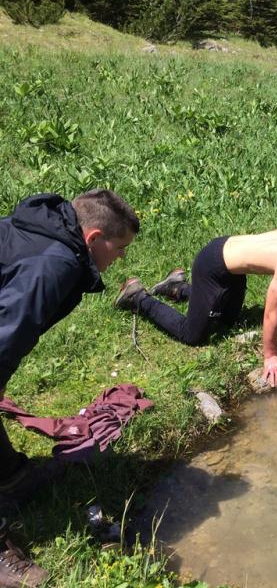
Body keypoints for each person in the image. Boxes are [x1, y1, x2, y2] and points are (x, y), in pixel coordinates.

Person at [1, 190, 139, 587]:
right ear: (93, 238)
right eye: (120, 247)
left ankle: (12, 477)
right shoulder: (55, 265)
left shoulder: (45, 234)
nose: (122, 258)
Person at [115, 226, 277, 388]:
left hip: (233, 268)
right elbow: (271, 312)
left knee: (227, 321)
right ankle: (138, 297)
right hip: (212, 267)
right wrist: (270, 356)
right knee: (192, 334)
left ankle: (177, 287)